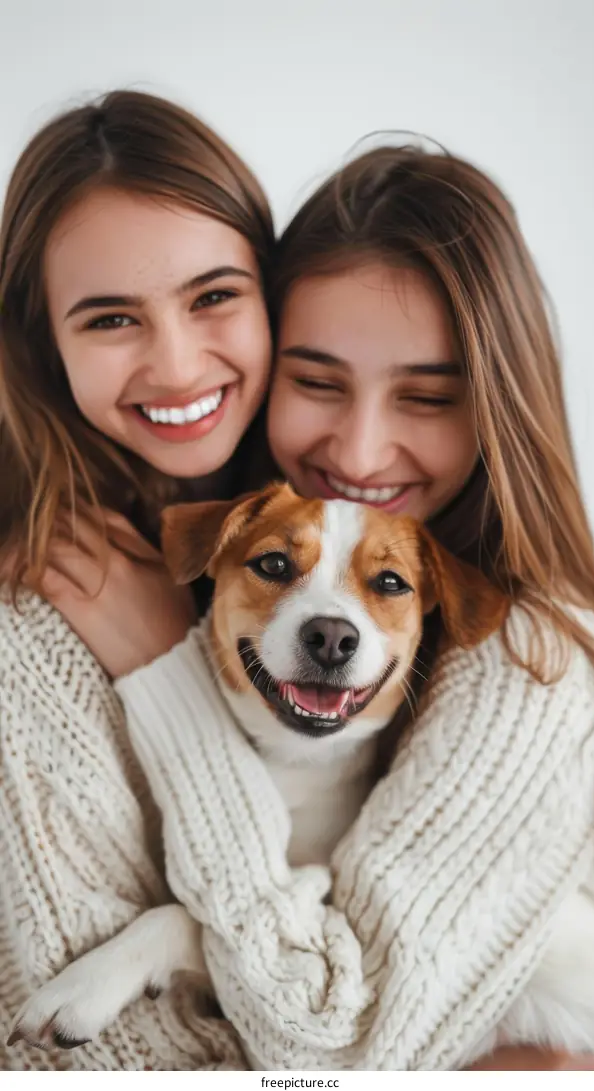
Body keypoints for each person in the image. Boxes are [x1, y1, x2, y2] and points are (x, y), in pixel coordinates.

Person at [40, 146, 594, 1068]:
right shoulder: (200, 550)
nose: (361, 451)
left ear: (496, 405)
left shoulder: (527, 661)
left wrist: (165, 674)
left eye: (428, 395)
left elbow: (336, 1056)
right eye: (318, 380)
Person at [0, 88, 276, 1071]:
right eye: (112, 318)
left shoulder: (347, 542)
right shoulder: (29, 630)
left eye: (213, 296)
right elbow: (98, 1060)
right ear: (46, 344)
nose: (178, 363)